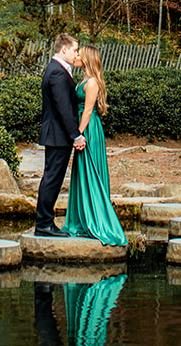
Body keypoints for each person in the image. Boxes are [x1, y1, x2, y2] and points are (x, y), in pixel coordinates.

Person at [62, 44, 127, 246]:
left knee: (91, 171)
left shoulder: (91, 83)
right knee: (81, 172)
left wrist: (78, 134)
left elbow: (88, 111)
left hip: (88, 128)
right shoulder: (83, 79)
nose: (76, 56)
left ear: (88, 59)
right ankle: (81, 219)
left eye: (79, 54)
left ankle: (97, 220)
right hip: (82, 126)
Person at [34, 32, 84, 237]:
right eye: (74, 50)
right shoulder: (57, 72)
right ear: (64, 49)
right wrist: (76, 135)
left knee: (52, 177)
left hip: (57, 134)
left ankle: (46, 222)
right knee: (52, 178)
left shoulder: (59, 70)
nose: (76, 54)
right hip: (57, 134)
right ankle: (44, 223)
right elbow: (63, 108)